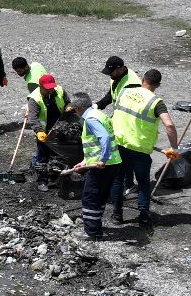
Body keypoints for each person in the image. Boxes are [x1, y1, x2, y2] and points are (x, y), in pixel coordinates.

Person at [111, 68, 181, 228]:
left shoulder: (124, 92)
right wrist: (174, 147)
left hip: (119, 144)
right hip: (140, 150)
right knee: (143, 183)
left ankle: (117, 215)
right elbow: (169, 125)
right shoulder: (156, 102)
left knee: (118, 180)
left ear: (143, 79)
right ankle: (143, 217)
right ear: (158, 85)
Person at [70, 91, 123, 237]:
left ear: (78, 108)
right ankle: (96, 226)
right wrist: (83, 162)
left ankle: (92, 232)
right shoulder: (99, 114)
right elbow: (95, 146)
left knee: (90, 197)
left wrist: (102, 160)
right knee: (100, 196)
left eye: (74, 109)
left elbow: (104, 138)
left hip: (104, 166)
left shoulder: (91, 119)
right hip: (113, 163)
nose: (75, 112)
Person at [26, 73, 68, 168]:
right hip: (44, 131)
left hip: (59, 126)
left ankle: (59, 175)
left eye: (51, 88)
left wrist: (69, 107)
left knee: (59, 154)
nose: (50, 91)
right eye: (47, 89)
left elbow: (67, 102)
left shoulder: (60, 90)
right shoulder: (35, 99)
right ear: (40, 87)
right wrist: (39, 131)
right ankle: (42, 178)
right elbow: (33, 117)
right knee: (43, 155)